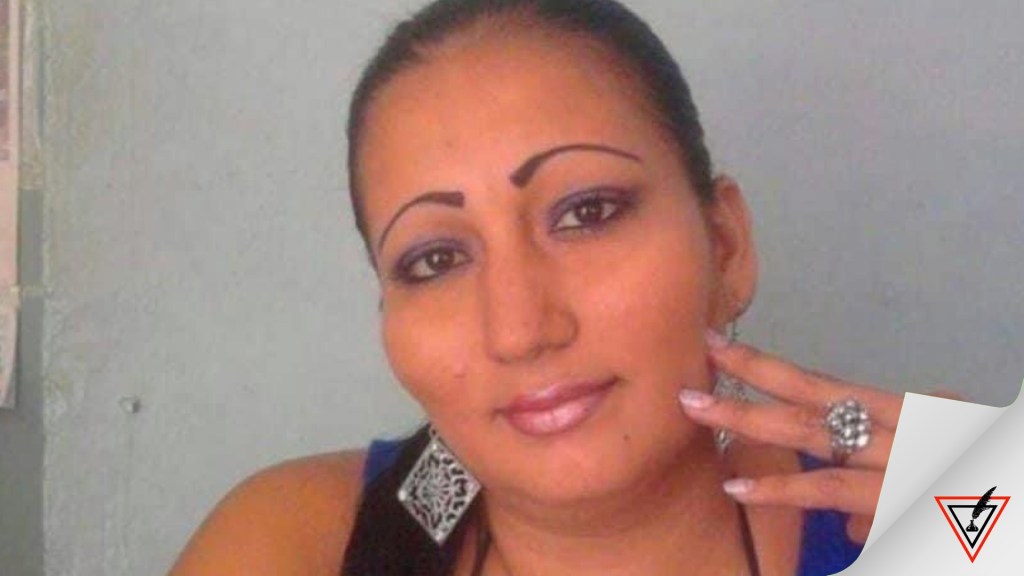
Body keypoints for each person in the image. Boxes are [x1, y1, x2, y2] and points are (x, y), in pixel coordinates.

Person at [169, 1, 905, 574]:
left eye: (587, 214)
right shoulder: (297, 544)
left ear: (725, 248)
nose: (520, 329)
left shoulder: (929, 527)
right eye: (435, 260)